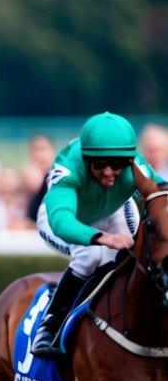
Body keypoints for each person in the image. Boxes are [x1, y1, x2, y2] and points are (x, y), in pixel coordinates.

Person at [30, 112, 167, 359]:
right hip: (63, 217)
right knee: (91, 256)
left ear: (127, 161)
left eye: (116, 165)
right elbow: (61, 219)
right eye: (99, 165)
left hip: (111, 212)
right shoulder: (69, 169)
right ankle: (52, 322)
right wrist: (98, 237)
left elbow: (159, 192)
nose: (108, 173)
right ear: (86, 160)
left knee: (135, 255)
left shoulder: (136, 165)